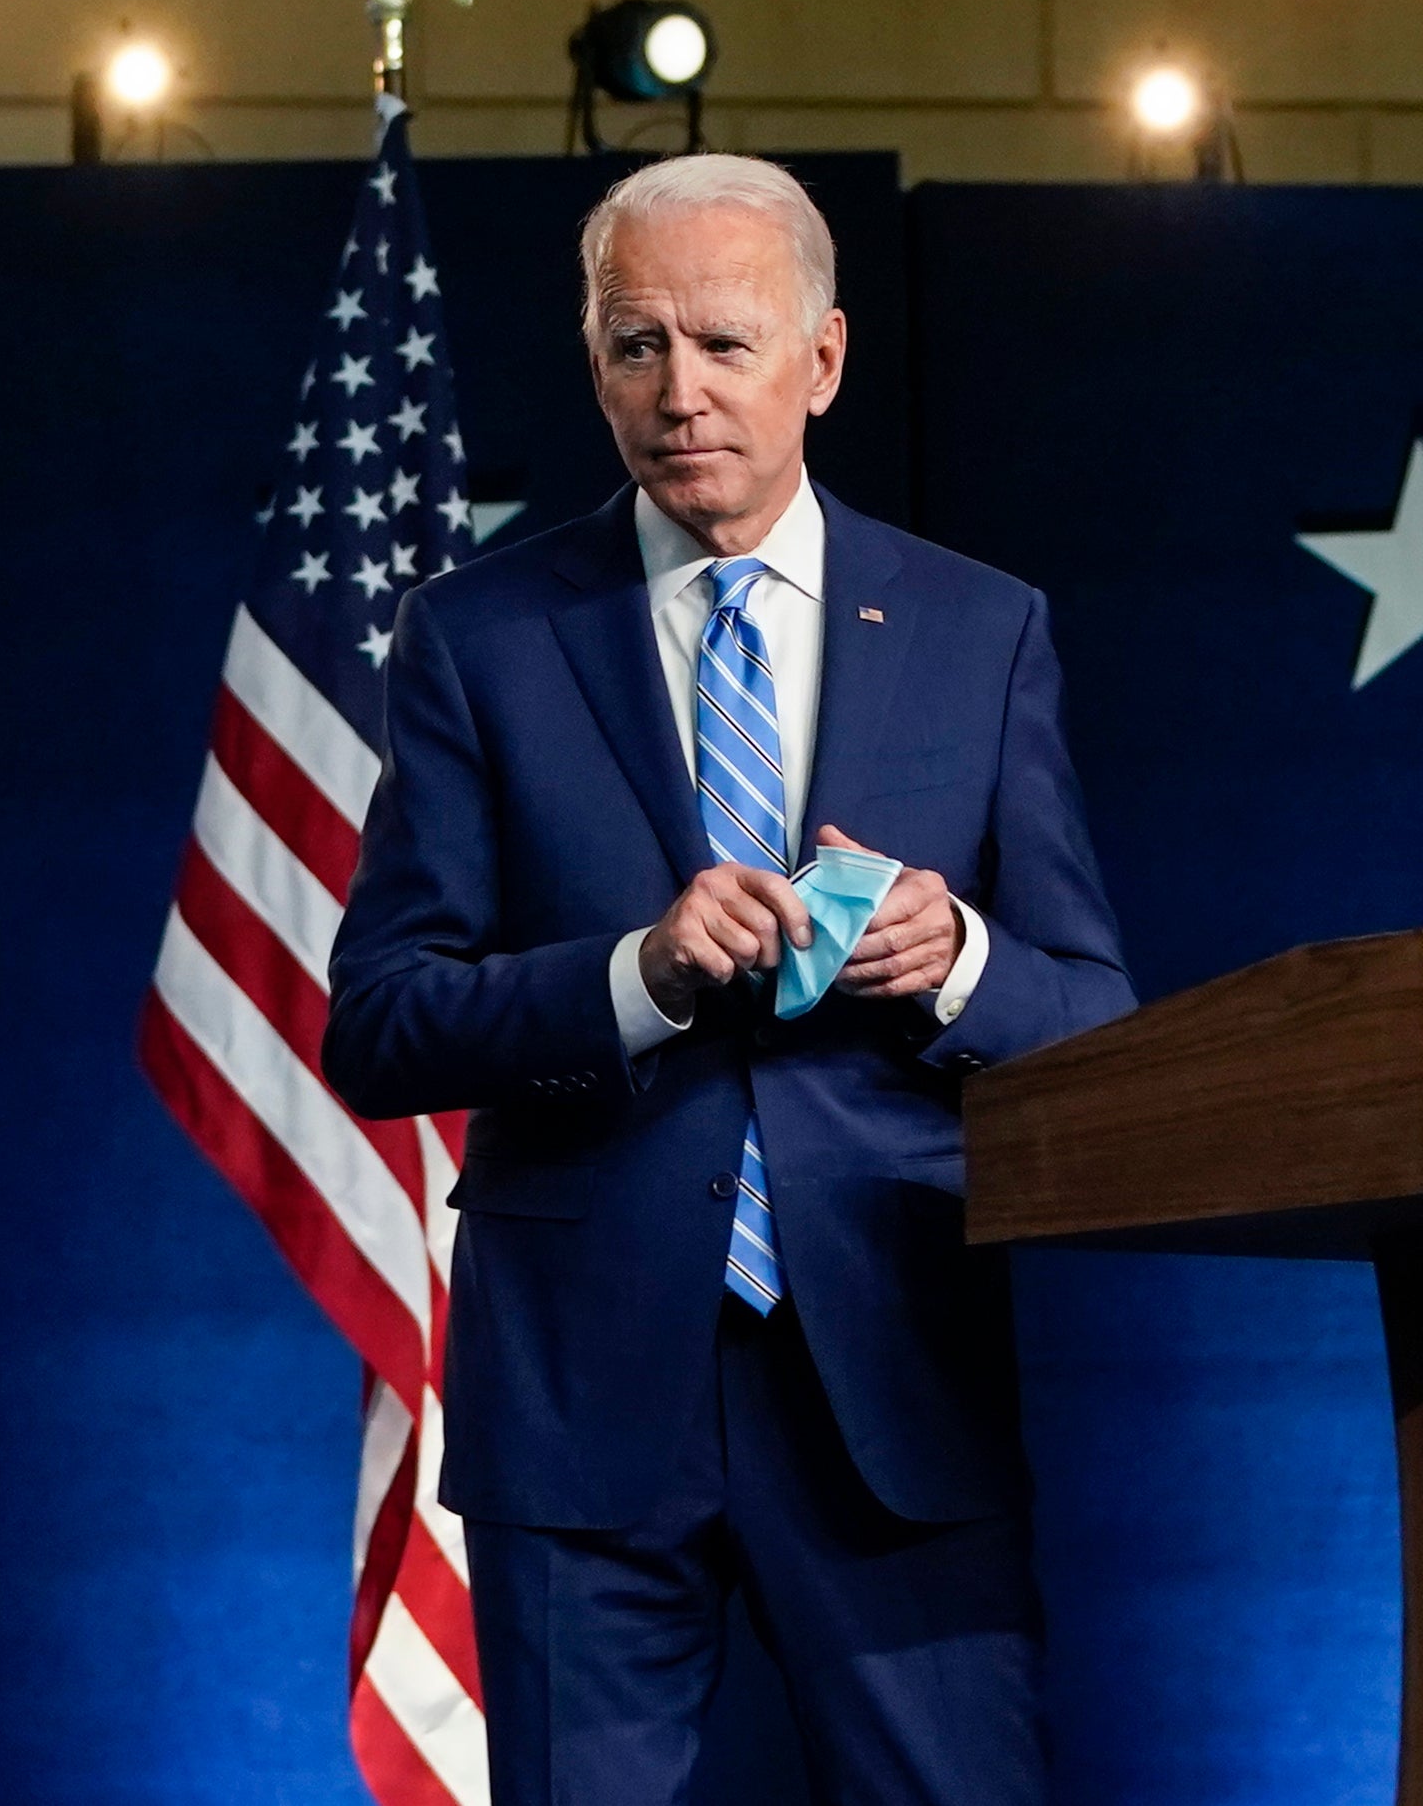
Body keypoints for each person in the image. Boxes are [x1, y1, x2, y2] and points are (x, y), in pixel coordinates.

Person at [323, 153, 1133, 1806]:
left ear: (822, 360)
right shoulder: (478, 636)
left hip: (895, 1372)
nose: (678, 392)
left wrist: (956, 958)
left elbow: (1092, 1014)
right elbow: (383, 1022)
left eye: (724, 345)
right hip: (585, 1393)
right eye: (636, 347)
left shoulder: (983, 632)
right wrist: (636, 976)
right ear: (594, 362)